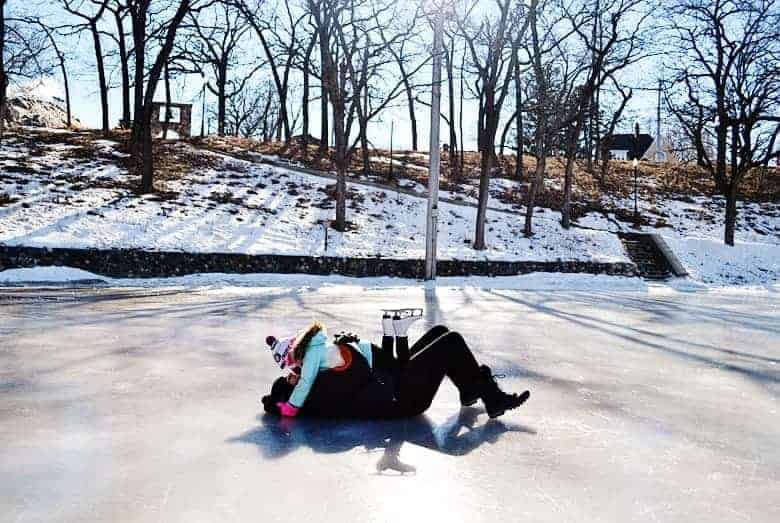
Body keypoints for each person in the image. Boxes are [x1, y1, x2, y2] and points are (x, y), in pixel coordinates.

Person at [262, 310, 530, 420]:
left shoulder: (315, 374)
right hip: (402, 398)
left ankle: (470, 389)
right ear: (289, 394)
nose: (292, 374)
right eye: (288, 380)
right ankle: (491, 399)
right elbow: (353, 378)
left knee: (439, 331)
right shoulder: (314, 394)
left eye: (289, 373)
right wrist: (282, 405)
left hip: (392, 384)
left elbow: (348, 369)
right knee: (451, 341)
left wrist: (349, 346)